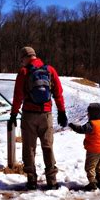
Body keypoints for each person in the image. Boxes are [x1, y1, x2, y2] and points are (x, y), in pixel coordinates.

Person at [8, 46, 67, 190]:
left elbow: (18, 97)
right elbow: (58, 93)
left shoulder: (23, 72)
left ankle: (32, 180)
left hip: (28, 115)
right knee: (48, 147)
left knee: (29, 148)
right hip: (46, 115)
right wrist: (62, 112)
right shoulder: (50, 70)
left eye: (22, 59)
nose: (21, 62)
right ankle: (52, 181)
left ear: (25, 57)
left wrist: (13, 114)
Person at [68, 103, 100, 191]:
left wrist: (72, 126)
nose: (87, 114)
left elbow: (81, 129)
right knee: (98, 166)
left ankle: (93, 184)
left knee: (89, 167)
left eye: (89, 113)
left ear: (93, 113)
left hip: (93, 150)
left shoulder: (92, 124)